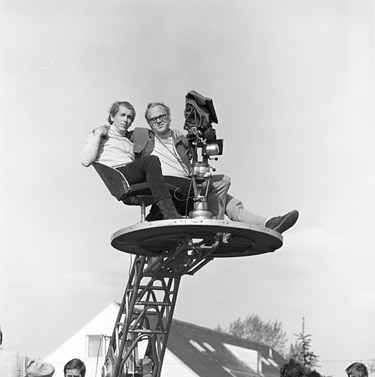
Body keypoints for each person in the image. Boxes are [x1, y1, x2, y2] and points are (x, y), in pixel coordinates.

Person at [136, 101, 298, 233]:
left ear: (169, 117)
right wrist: (109, 128)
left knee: (227, 200)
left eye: (161, 116)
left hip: (188, 190)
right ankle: (214, 227)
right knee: (221, 182)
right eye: (153, 119)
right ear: (148, 123)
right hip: (170, 190)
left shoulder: (181, 140)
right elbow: (119, 132)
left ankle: (268, 223)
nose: (158, 121)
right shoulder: (143, 137)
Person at [81, 101, 182, 219]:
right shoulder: (102, 134)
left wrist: (173, 132)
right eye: (122, 115)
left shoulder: (129, 140)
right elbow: (85, 161)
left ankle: (155, 217)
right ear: (112, 117)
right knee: (151, 161)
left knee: (175, 183)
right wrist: (97, 134)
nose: (125, 120)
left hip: (133, 176)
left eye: (129, 117)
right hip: (119, 176)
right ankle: (169, 213)